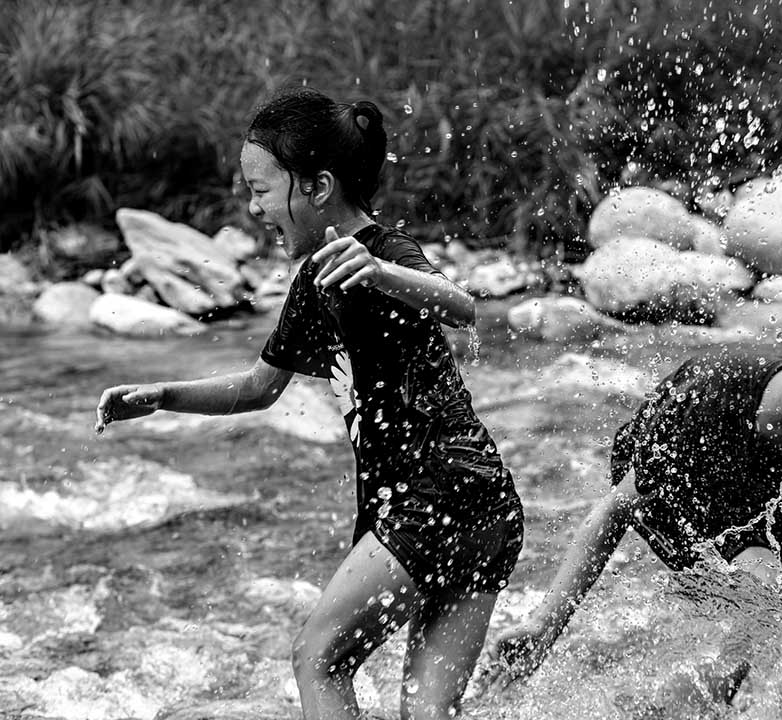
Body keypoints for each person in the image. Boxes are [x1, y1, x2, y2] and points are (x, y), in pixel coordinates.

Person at [95, 87, 523, 720]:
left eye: (263, 189)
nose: (253, 207)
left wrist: (380, 274)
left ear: (318, 187)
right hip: (483, 505)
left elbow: (461, 308)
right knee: (425, 714)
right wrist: (162, 397)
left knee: (317, 658)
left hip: (433, 496)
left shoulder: (380, 252)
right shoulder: (312, 283)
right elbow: (258, 387)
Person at [493, 293, 782, 719]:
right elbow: (614, 511)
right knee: (760, 590)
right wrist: (547, 623)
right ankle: (689, 706)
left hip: (778, 504)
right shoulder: (713, 393)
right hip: (683, 503)